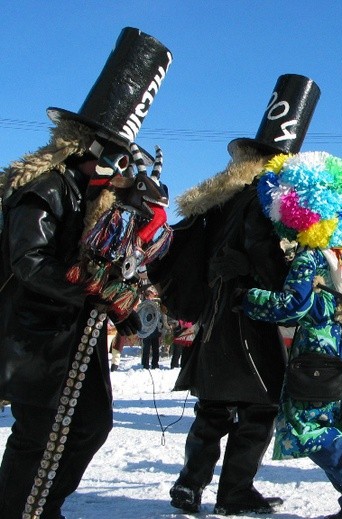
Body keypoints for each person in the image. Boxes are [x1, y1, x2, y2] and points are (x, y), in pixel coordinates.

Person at [0, 27, 172, 518]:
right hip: (36, 335)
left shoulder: (101, 205)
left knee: (92, 425)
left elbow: (111, 263)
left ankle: (44, 503)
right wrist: (96, 292)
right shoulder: (46, 188)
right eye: (115, 156)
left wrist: (128, 300)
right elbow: (29, 261)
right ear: (87, 147)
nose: (121, 171)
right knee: (38, 433)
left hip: (79, 335)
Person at [148, 74, 320, 515]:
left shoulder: (224, 198)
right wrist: (278, 270)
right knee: (260, 407)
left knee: (215, 408)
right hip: (250, 315)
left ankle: (190, 485)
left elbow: (215, 253)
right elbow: (259, 256)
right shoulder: (265, 199)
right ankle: (234, 492)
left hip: (220, 316)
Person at [242, 151, 342, 519]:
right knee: (339, 427)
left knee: (306, 428)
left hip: (316, 353)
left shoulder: (310, 256)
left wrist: (247, 297)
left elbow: (290, 307)